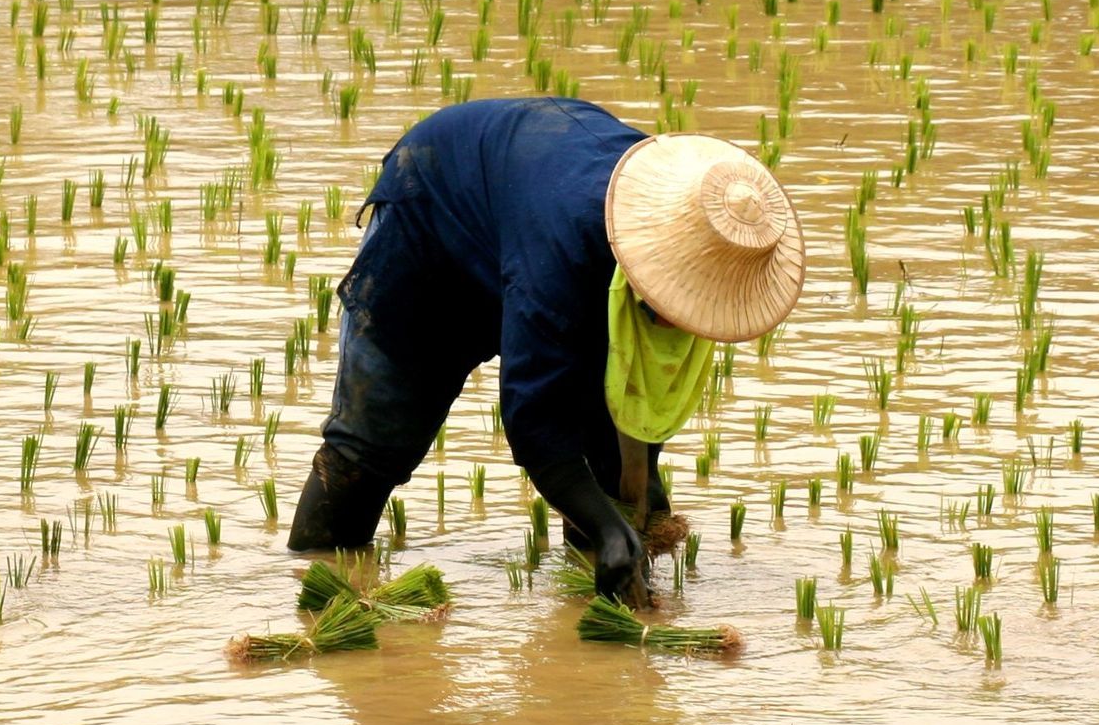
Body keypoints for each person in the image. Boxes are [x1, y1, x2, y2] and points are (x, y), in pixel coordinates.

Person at [287, 97, 806, 601]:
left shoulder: (700, 227)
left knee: (608, 470)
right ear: (657, 267)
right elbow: (535, 421)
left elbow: (638, 387)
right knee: (375, 439)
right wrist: (606, 528)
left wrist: (639, 481)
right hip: (434, 213)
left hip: (531, 201)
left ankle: (598, 615)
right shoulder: (566, 251)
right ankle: (315, 580)